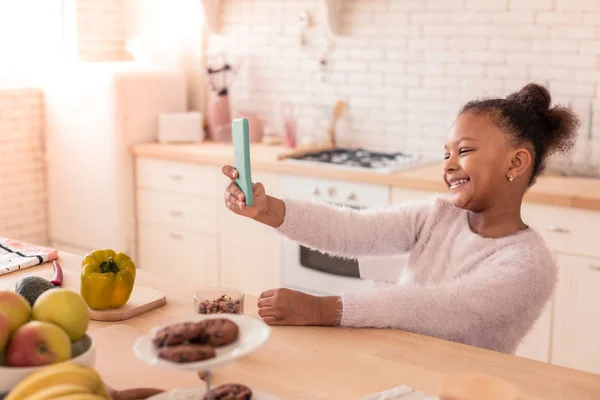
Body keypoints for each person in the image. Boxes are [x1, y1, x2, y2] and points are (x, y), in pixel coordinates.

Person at [220, 83, 580, 354]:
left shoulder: (528, 263)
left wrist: (320, 308)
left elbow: (439, 309)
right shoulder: (438, 215)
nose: (449, 164)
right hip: (400, 363)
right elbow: (354, 231)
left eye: (464, 151)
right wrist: (268, 209)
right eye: (446, 154)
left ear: (515, 163)